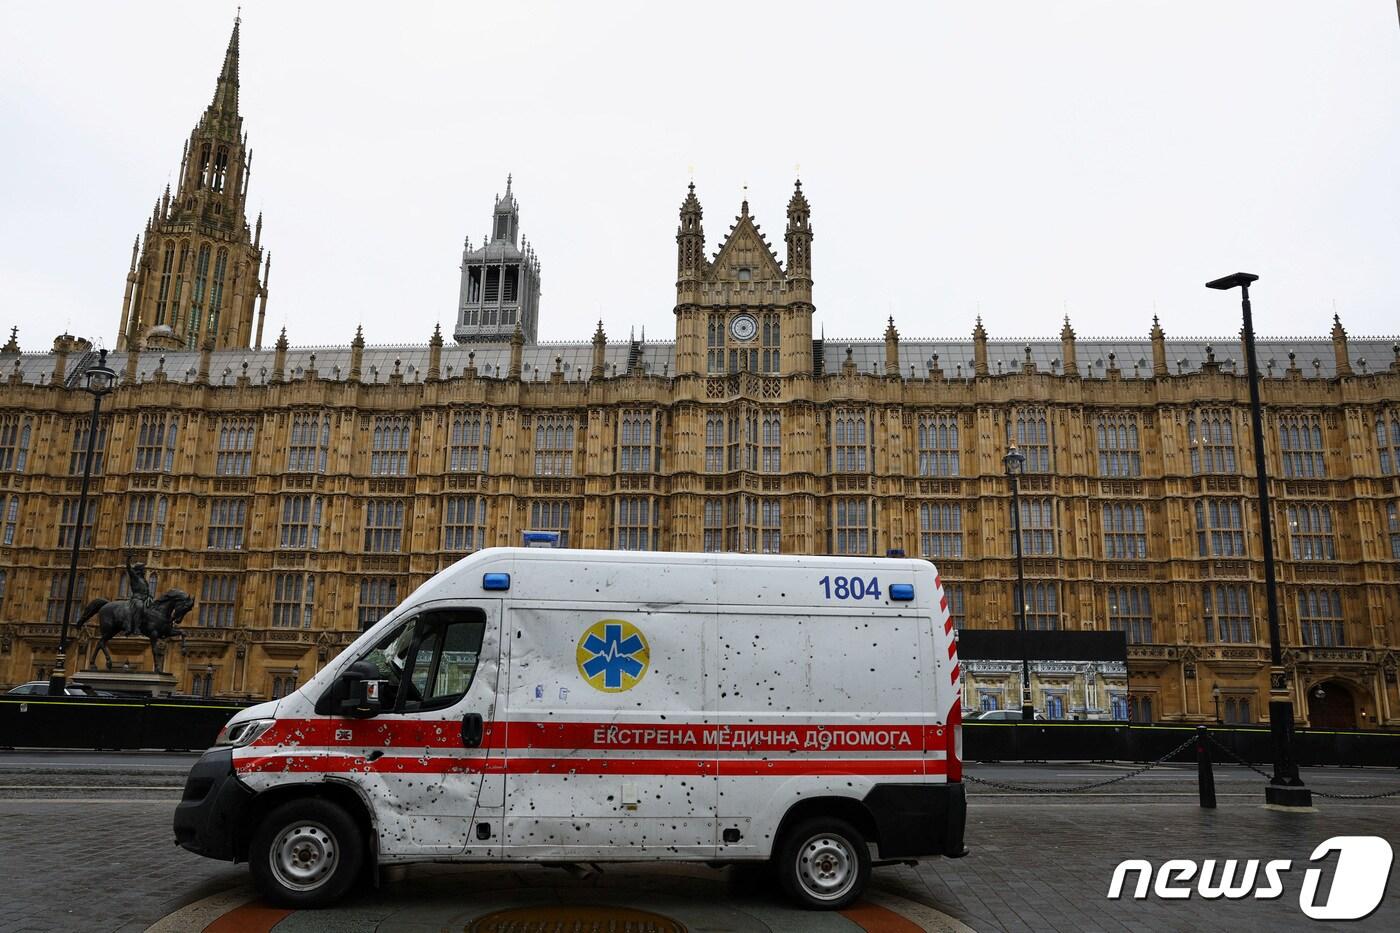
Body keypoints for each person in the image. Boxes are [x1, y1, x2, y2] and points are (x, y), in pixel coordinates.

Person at [125, 556, 153, 634]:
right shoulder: (135, 578)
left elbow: (147, 591)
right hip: (137, 599)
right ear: (139, 570)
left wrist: (149, 596)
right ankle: (136, 628)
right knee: (140, 606)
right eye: (143, 569)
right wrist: (128, 559)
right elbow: (129, 569)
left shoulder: (144, 580)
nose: (144, 571)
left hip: (145, 599)